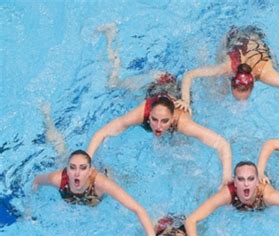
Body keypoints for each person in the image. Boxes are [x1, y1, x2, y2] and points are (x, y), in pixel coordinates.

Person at [90, 23, 232, 184]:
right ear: (148, 115)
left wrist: (226, 179)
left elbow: (222, 144)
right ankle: (111, 34)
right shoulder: (141, 111)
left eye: (165, 121)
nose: (158, 126)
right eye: (154, 120)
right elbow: (102, 133)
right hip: (154, 80)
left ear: (172, 118)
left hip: (172, 85)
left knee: (181, 147)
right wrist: (87, 162)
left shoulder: (183, 122)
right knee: (113, 84)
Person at [179, 25, 279, 131]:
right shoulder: (227, 67)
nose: (240, 101)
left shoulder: (266, 73)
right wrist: (185, 101)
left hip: (257, 36)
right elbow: (190, 75)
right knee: (215, 88)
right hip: (232, 37)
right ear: (232, 82)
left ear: (253, 86)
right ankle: (202, 53)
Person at [32, 149, 160, 236]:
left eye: (83, 168)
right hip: (78, 197)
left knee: (127, 182)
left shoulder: (101, 183)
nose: (77, 173)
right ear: (67, 170)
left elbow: (138, 208)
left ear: (89, 171)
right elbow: (37, 181)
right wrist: (30, 206)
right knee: (61, 151)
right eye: (72, 168)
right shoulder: (57, 179)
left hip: (105, 182)